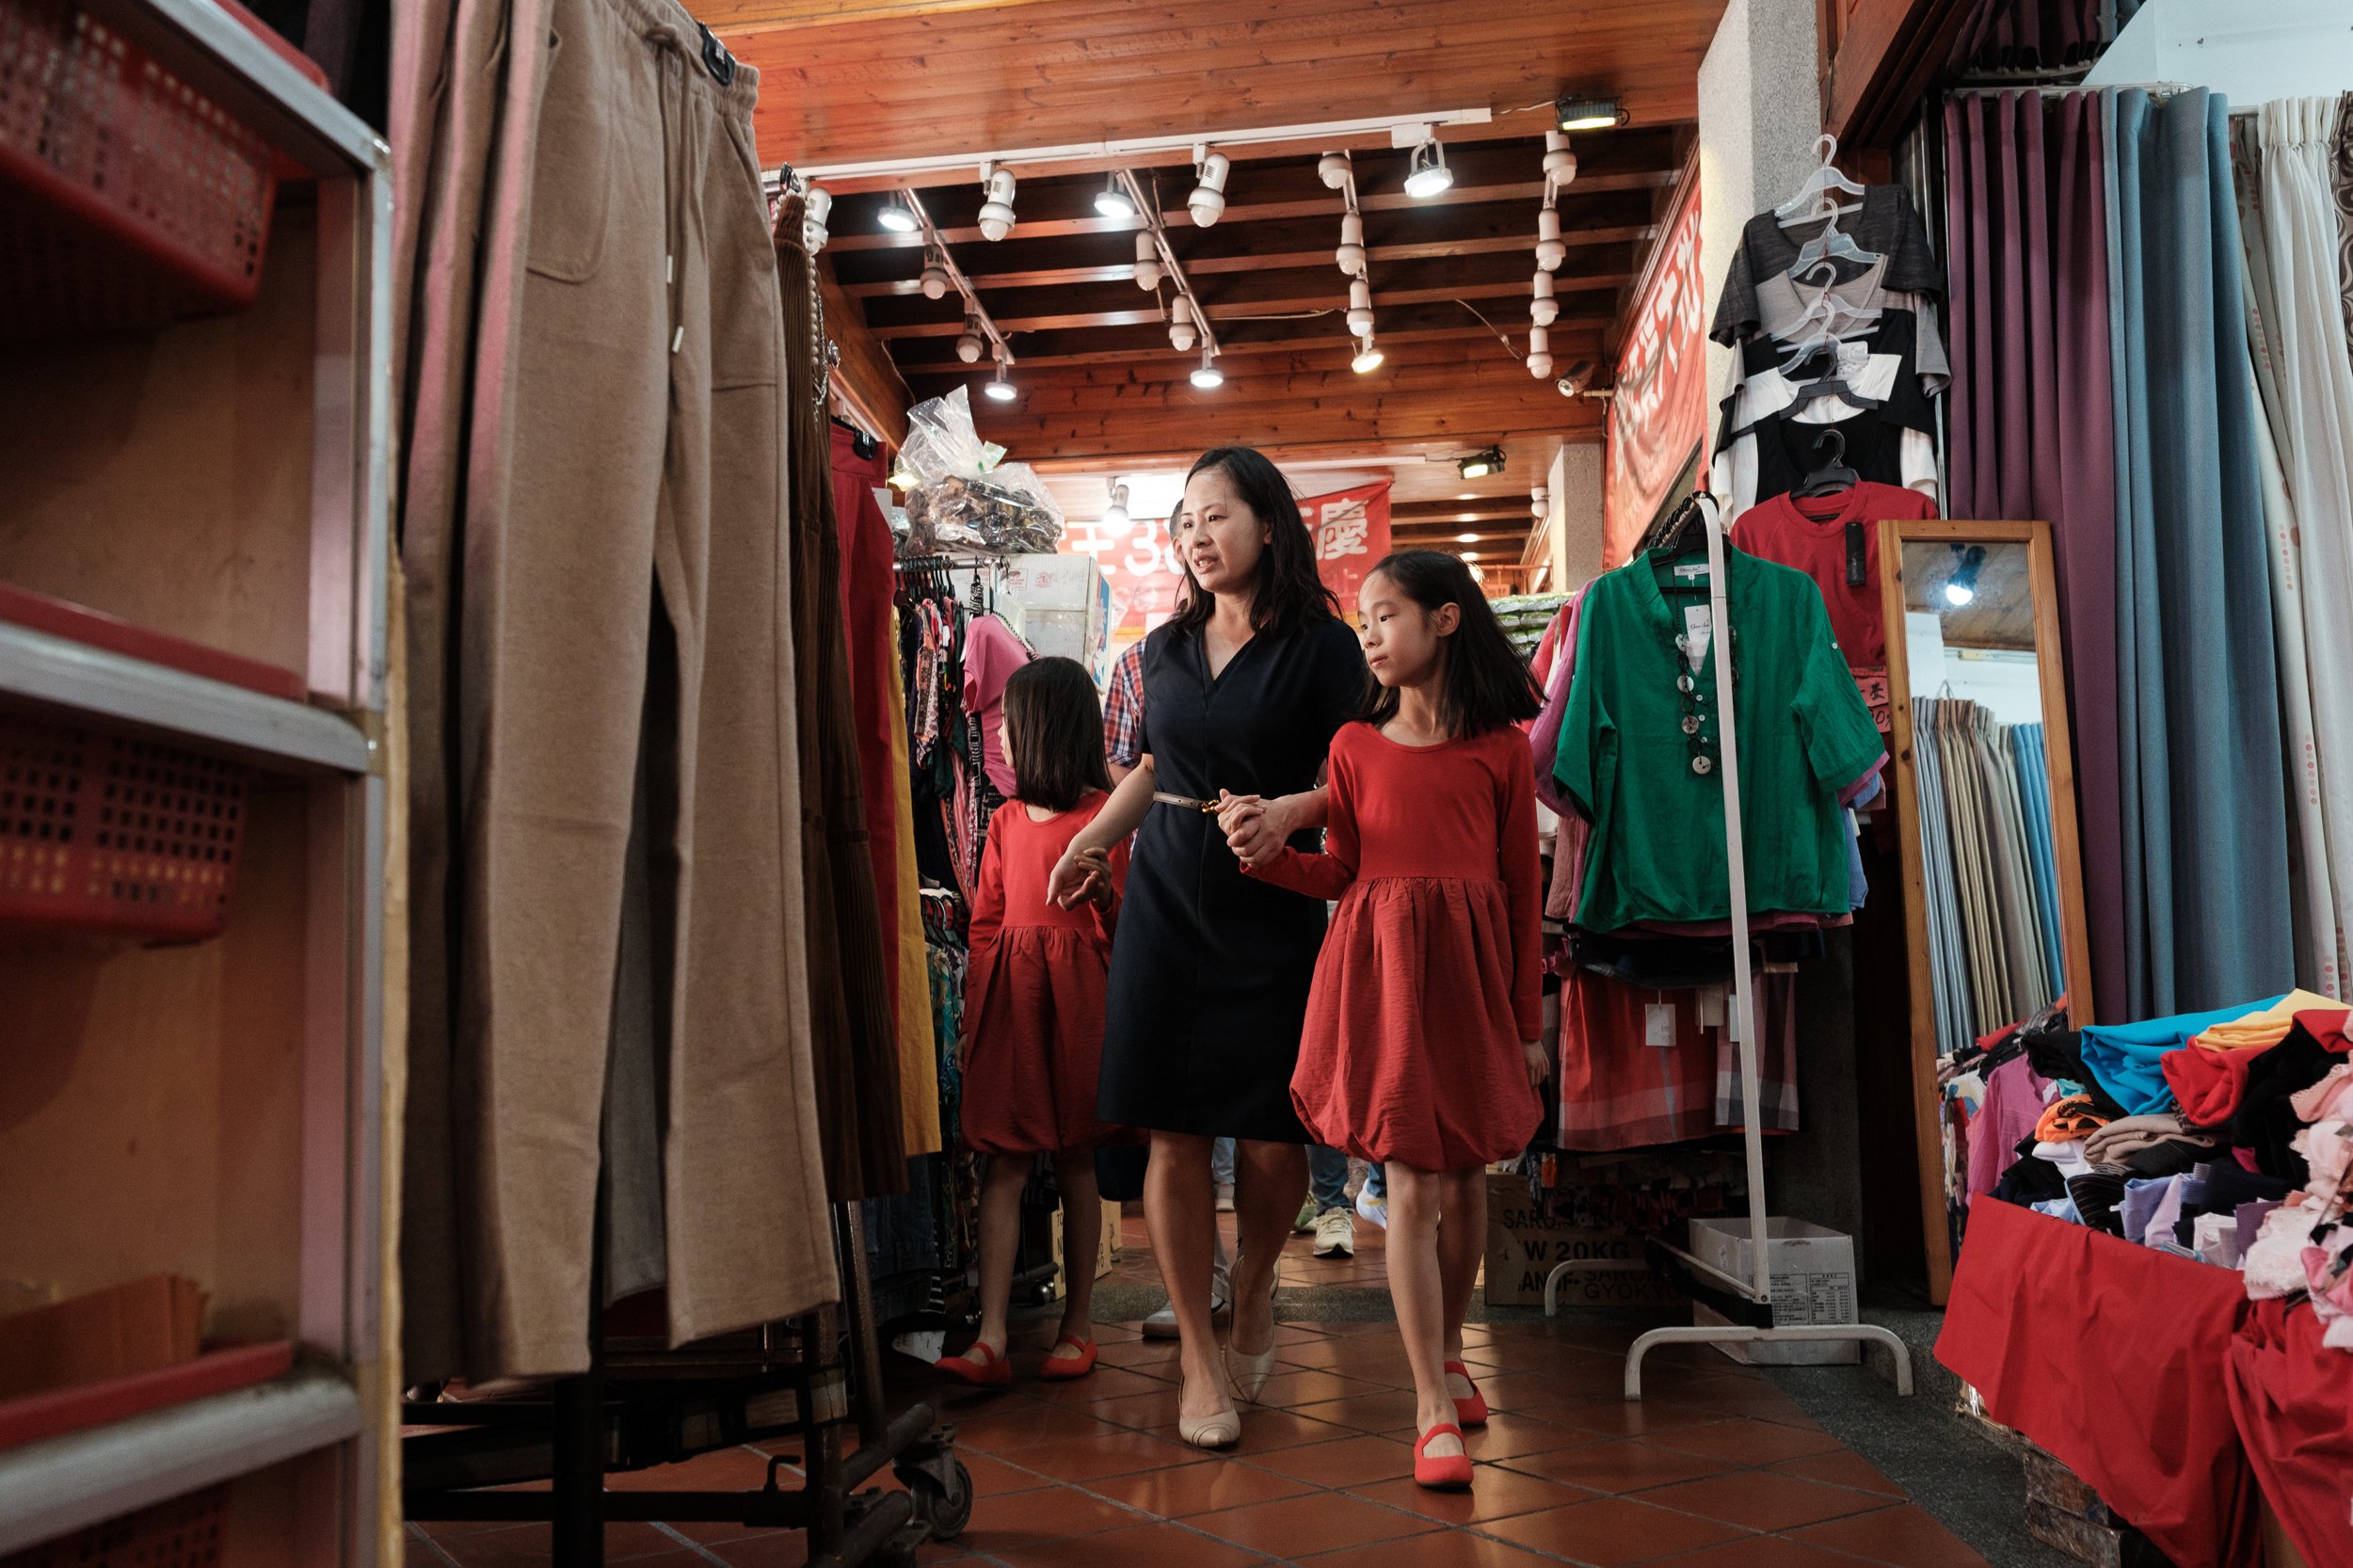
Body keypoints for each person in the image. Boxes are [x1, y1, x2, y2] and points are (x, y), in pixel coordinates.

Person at [1050, 447, 1364, 1449]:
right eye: (1182, 520)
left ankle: (1259, 1278)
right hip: (1165, 893)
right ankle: (1196, 1348)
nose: (1194, 535)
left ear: (1268, 524)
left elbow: (1362, 773)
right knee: (1173, 1130)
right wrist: (1093, 840)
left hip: (1271, 896)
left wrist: (1291, 813)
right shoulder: (1167, 644)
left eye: (1214, 515)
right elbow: (1152, 764)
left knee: (1275, 1138)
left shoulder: (1322, 645)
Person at [1223, 550, 1546, 1490]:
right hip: (1383, 982)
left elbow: (1523, 894)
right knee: (1410, 1180)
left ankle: (1450, 1349)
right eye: (1360, 617)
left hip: (1474, 986)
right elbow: (1342, 870)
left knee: (1467, 1182)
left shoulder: (1501, 750)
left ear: (1445, 620)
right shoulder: (1351, 747)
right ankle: (1429, 1403)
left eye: (1383, 613)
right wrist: (1268, 848)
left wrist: (1528, 1020)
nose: (1365, 632)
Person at [937, 657, 1130, 1386]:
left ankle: (1077, 1325)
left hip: (1081, 1004)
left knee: (1079, 1158)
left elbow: (1120, 925)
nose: (1000, 742)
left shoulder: (1102, 819)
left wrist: (1107, 897)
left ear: (1044, 731)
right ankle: (991, 1333)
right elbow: (985, 924)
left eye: (1008, 728)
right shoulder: (1005, 822)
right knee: (1004, 1160)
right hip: (1012, 1003)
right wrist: (978, 1010)